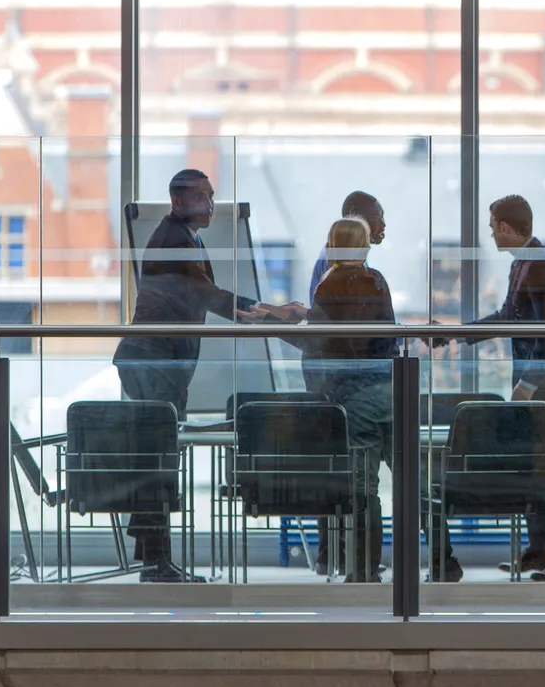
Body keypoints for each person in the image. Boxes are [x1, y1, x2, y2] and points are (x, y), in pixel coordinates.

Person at [113, 168, 305, 582]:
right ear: (177, 202)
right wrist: (268, 312)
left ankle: (152, 558)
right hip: (151, 361)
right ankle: (155, 563)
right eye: (201, 197)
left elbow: (208, 297)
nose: (211, 204)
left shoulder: (186, 237)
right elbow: (211, 296)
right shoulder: (174, 241)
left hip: (160, 362)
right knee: (158, 458)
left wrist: (265, 314)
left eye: (212, 196)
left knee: (158, 456)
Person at [435, 194, 545, 581]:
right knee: (537, 468)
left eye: (492, 226)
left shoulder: (541, 267)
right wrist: (457, 335)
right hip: (544, 384)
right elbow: (508, 317)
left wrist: (528, 383)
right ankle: (540, 551)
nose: (490, 234)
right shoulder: (526, 264)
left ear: (505, 228)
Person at [294, 216, 396, 582]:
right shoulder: (378, 281)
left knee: (364, 487)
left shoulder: (328, 285)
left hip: (356, 395)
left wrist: (286, 324)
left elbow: (320, 343)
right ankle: (441, 561)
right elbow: (388, 339)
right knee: (411, 479)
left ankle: (364, 569)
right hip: (390, 389)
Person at [308, 191, 386, 304]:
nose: (383, 224)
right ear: (354, 215)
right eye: (377, 217)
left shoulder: (347, 257)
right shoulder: (337, 260)